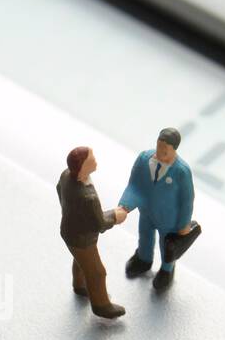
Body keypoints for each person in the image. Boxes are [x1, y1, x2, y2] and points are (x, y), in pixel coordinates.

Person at [120, 127, 199, 292]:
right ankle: (143, 258)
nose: (160, 151)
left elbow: (187, 200)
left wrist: (184, 225)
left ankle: (167, 270)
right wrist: (125, 206)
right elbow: (134, 186)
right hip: (146, 212)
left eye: (165, 149)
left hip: (169, 220)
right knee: (144, 236)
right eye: (158, 146)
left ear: (174, 149)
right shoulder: (143, 159)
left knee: (167, 245)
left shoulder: (181, 172)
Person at [57, 146, 127, 319]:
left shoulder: (66, 175)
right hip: (83, 238)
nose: (95, 161)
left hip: (68, 231)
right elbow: (100, 224)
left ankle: (80, 286)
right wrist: (116, 215)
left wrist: (70, 213)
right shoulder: (88, 197)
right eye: (92, 159)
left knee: (81, 261)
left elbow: (59, 190)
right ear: (83, 167)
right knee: (96, 271)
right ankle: (101, 305)